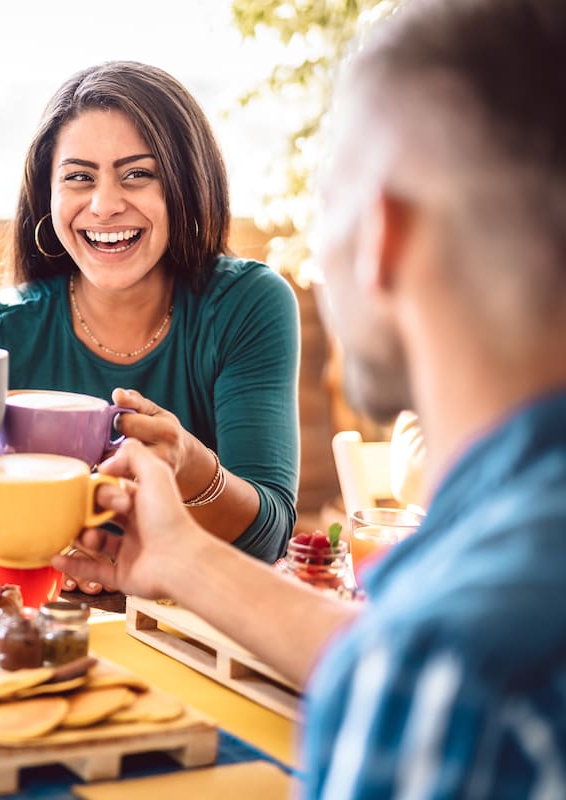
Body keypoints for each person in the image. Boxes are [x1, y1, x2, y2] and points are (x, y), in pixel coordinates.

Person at [58, 0, 566, 795]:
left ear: (383, 236)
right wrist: (181, 559)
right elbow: (384, 650)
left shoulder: (454, 677)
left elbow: (416, 669)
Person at [0, 61, 300, 588]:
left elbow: (268, 539)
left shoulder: (248, 305)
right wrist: (70, 575)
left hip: (195, 625)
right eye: (79, 178)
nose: (105, 205)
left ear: (184, 186)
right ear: (48, 197)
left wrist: (193, 468)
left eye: (137, 174)